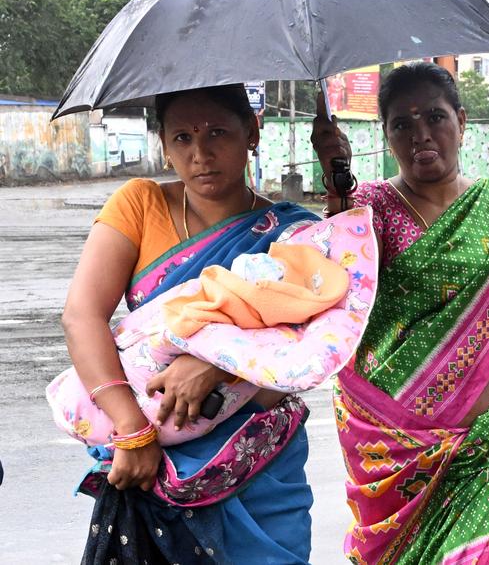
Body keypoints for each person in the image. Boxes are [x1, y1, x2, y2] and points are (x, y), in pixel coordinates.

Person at [60, 84, 318, 563]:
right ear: (164, 146)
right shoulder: (139, 205)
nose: (200, 153)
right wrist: (131, 430)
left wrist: (216, 366)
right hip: (150, 452)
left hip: (258, 455)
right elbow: (81, 316)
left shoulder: (294, 232)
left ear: (252, 133)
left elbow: (311, 349)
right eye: (182, 138)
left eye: (218, 132)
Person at [311, 61, 489, 565]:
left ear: (462, 122)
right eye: (402, 123)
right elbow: (339, 285)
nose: (421, 134)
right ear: (385, 135)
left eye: (436, 118)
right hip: (395, 439)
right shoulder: (368, 207)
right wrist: (338, 191)